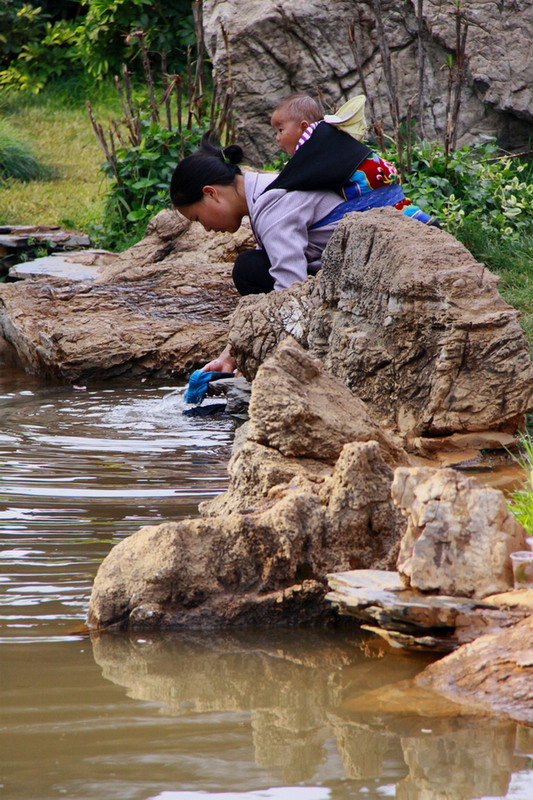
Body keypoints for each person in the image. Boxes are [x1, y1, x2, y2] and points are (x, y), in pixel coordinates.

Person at [170, 134, 351, 371]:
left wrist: (259, 360)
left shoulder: (273, 207)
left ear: (211, 193)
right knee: (253, 266)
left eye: (197, 218)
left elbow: (288, 290)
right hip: (334, 271)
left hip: (352, 280)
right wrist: (231, 356)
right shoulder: (266, 192)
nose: (206, 228)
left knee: (249, 269)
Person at [270, 92, 439, 226]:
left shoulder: (313, 143)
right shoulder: (326, 135)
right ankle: (421, 218)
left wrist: (270, 193)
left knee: (383, 210)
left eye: (280, 130)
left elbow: (295, 179)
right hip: (380, 169)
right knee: (398, 205)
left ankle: (419, 221)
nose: (277, 138)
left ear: (303, 127)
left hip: (368, 178)